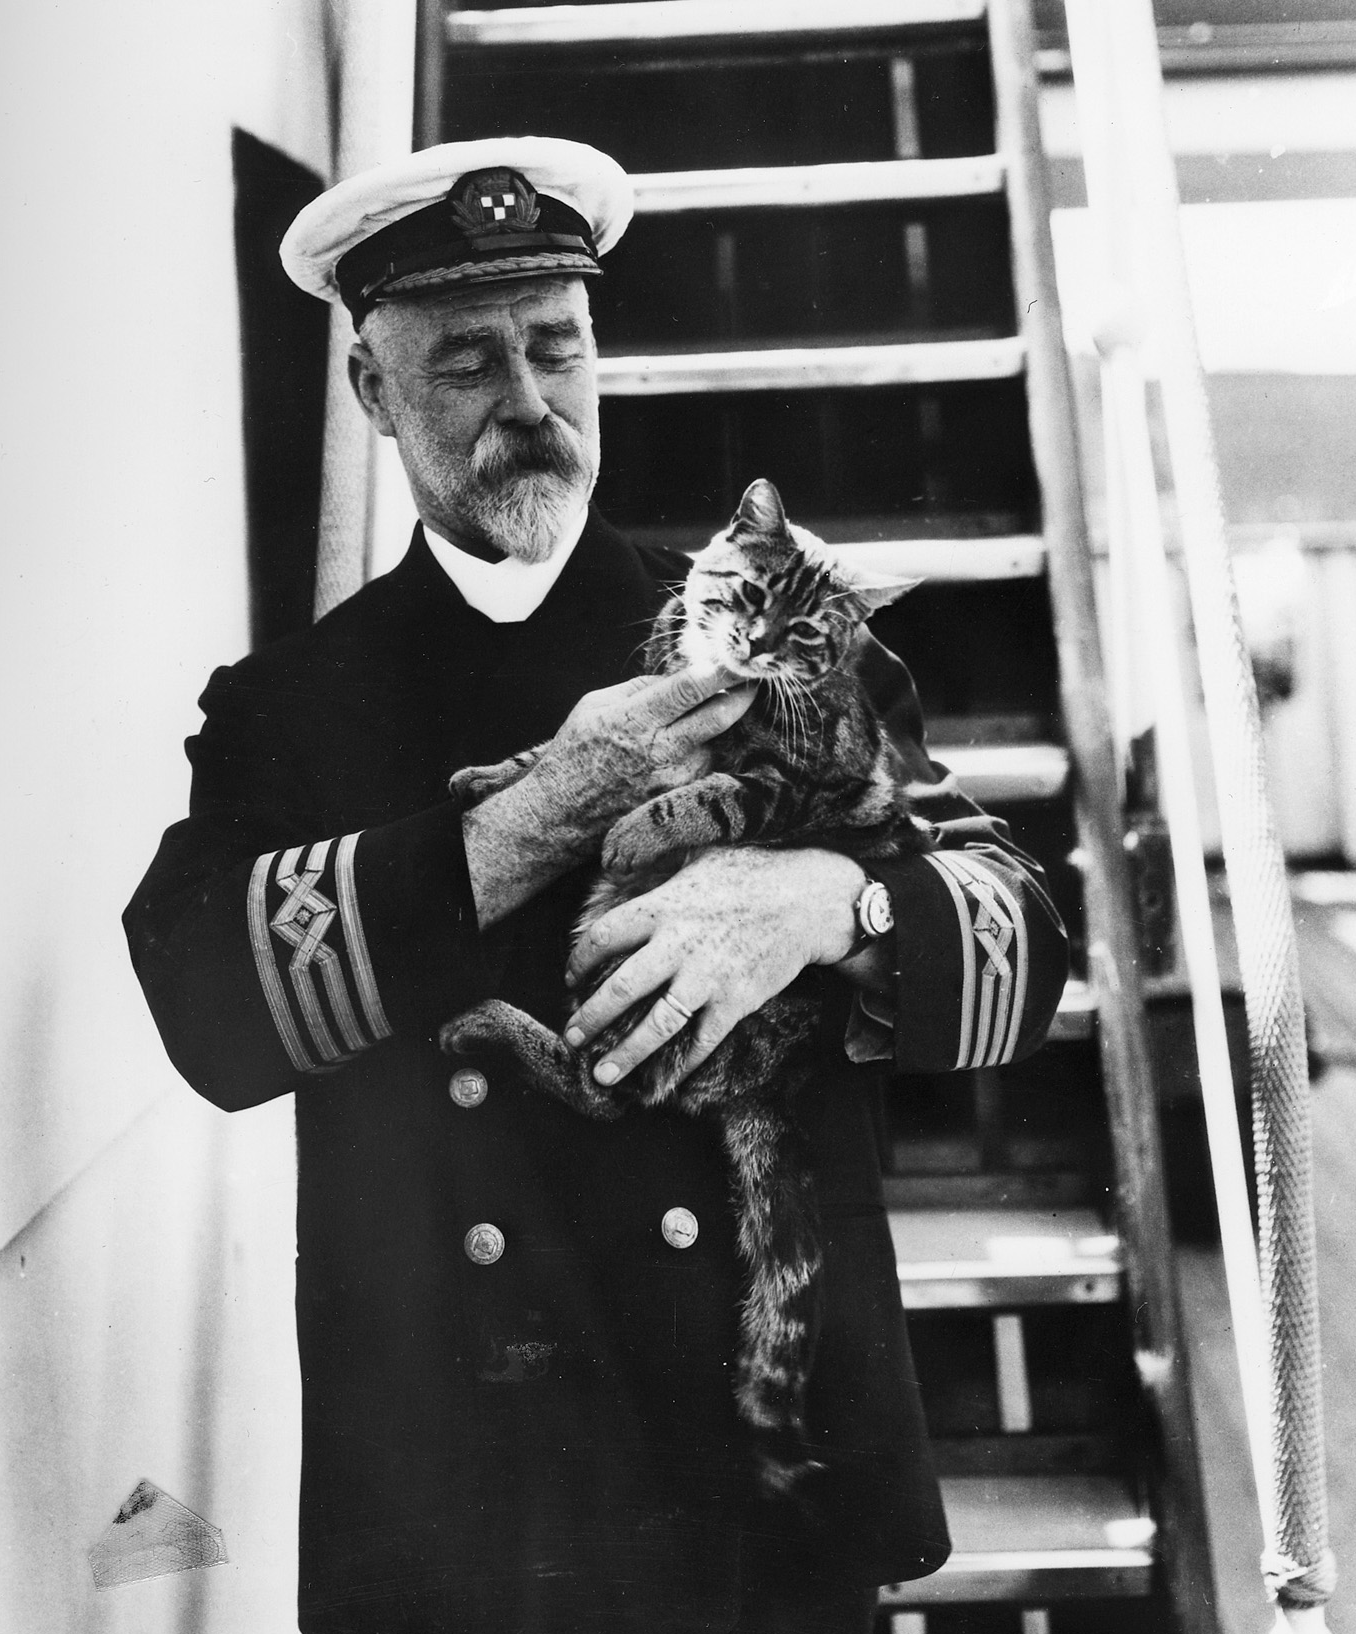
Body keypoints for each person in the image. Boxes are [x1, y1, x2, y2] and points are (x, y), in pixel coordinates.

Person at [125, 136, 1069, 1634]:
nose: (527, 403)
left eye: (559, 347)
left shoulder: (769, 630)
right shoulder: (292, 709)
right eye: (465, 364)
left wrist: (830, 902)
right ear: (372, 391)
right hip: (465, 1495)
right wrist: (552, 800)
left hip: (762, 1477)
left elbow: (1026, 923)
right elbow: (206, 1005)